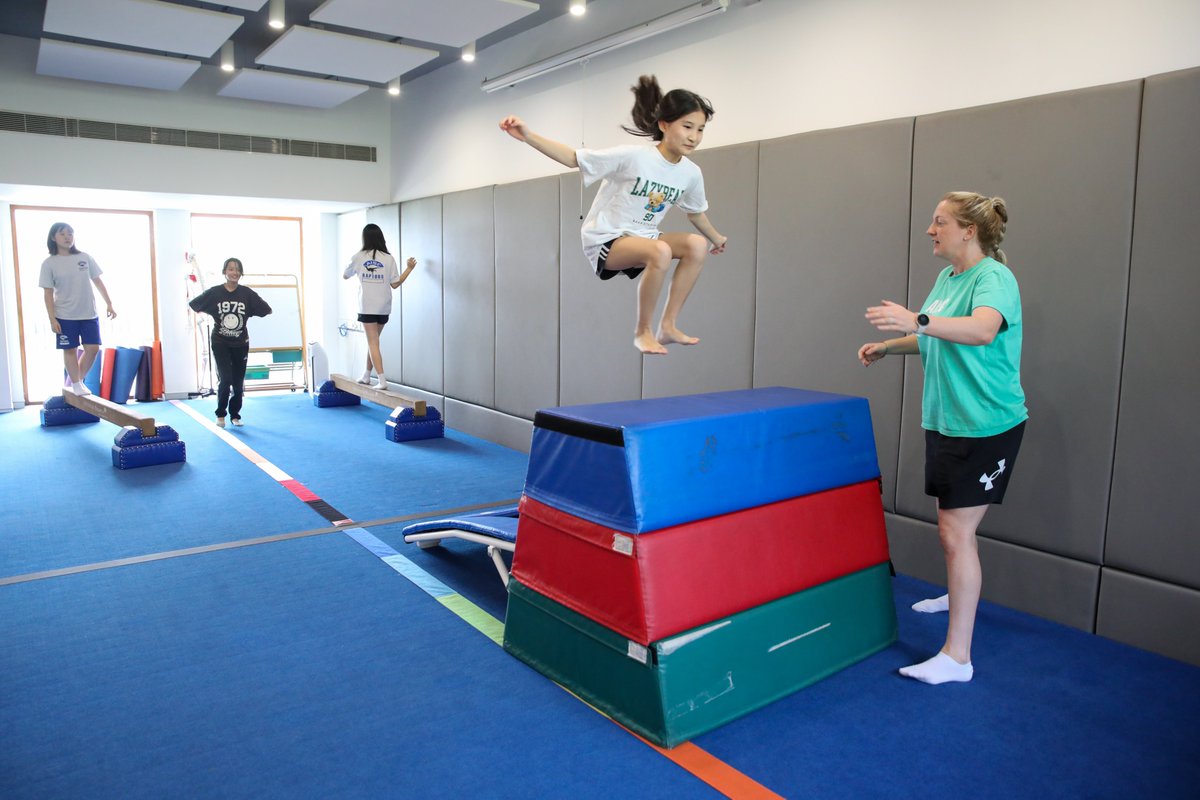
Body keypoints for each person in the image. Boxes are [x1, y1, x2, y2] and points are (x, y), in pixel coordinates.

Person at [857, 191, 1027, 685]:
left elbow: (980, 330)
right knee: (953, 531)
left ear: (968, 231)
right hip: (948, 421)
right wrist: (892, 345)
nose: (931, 230)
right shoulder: (948, 277)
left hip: (988, 424)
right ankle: (959, 592)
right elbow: (936, 332)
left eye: (939, 222)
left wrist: (917, 319)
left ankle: (957, 658)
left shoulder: (994, 277)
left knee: (956, 534)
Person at [500, 74, 728, 355]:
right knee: (660, 251)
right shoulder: (634, 157)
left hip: (643, 237)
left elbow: (696, 213)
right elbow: (573, 158)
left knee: (696, 245)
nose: (694, 136)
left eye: (701, 129)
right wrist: (527, 135)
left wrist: (716, 238)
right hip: (605, 238)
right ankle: (642, 331)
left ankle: (667, 326)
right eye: (687, 126)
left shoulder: (690, 173)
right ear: (664, 124)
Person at [188, 257, 272, 428]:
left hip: (241, 343)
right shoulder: (215, 292)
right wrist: (211, 313)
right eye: (231, 269)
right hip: (220, 342)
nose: (234, 272)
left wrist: (250, 312)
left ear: (241, 273)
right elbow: (195, 304)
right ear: (225, 272)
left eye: (237, 269)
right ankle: (220, 414)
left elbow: (266, 309)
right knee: (225, 379)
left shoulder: (246, 294)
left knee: (238, 383)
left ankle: (235, 415)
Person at [38, 222, 116, 396]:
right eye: (62, 234)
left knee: (93, 349)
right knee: (70, 349)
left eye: (70, 233)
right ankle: (76, 383)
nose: (67, 237)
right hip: (65, 315)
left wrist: (109, 303)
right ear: (53, 238)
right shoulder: (49, 263)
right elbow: (48, 294)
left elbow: (98, 281)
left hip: (88, 313)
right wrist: (52, 319)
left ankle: (75, 381)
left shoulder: (84, 257)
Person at [342, 224, 417, 389]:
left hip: (367, 306)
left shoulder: (358, 256)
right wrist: (409, 269)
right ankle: (367, 375)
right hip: (383, 307)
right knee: (374, 342)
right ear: (381, 238)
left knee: (372, 343)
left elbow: (345, 276)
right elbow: (395, 284)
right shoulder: (388, 258)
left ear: (365, 238)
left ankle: (382, 380)